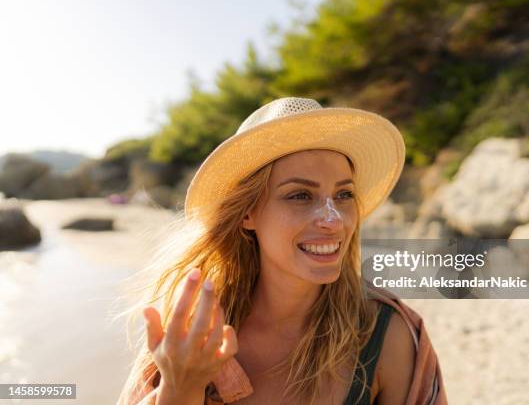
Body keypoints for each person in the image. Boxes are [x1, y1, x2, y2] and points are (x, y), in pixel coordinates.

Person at [116, 97, 447, 405]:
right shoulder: (189, 334)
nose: (333, 221)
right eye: (301, 195)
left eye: (344, 195)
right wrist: (179, 390)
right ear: (247, 213)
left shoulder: (386, 334)